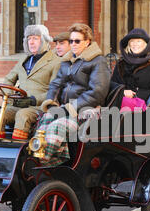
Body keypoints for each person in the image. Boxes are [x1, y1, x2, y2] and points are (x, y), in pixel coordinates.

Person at [36, 23, 110, 166]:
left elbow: (97, 93)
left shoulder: (97, 61)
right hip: (65, 109)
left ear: (87, 42)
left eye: (77, 41)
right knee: (45, 120)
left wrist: (69, 108)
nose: (73, 44)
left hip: (86, 111)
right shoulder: (67, 60)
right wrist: (51, 102)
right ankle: (52, 161)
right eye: (71, 41)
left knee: (56, 127)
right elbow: (56, 84)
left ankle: (42, 163)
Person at [0, 24, 60, 140]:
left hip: (38, 106)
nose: (31, 42)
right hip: (17, 104)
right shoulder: (23, 60)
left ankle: (18, 153)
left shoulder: (56, 61)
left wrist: (32, 100)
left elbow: (55, 90)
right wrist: (9, 97)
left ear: (45, 40)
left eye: (35, 38)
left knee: (23, 115)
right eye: (29, 38)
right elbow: (8, 80)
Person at [110, 28, 150, 102]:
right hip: (120, 104)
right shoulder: (121, 63)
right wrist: (122, 92)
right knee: (104, 111)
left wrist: (134, 95)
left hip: (146, 107)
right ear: (129, 44)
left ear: (145, 44)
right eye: (132, 41)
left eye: (139, 41)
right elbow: (113, 84)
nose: (135, 44)